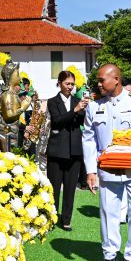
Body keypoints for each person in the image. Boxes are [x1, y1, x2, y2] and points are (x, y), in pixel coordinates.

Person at [82, 64, 131, 261]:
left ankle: (130, 256)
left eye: (102, 80)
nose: (99, 84)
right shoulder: (94, 107)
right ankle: (109, 255)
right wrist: (90, 171)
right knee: (108, 212)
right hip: (107, 168)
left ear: (117, 79)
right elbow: (89, 140)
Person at [46, 70, 89, 230]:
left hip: (74, 150)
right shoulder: (52, 102)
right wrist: (75, 110)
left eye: (72, 84)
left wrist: (84, 110)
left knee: (70, 188)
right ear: (59, 83)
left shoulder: (79, 101)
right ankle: (51, 218)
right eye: (67, 83)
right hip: (57, 151)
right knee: (54, 188)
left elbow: (82, 121)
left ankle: (66, 220)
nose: (70, 87)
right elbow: (57, 122)